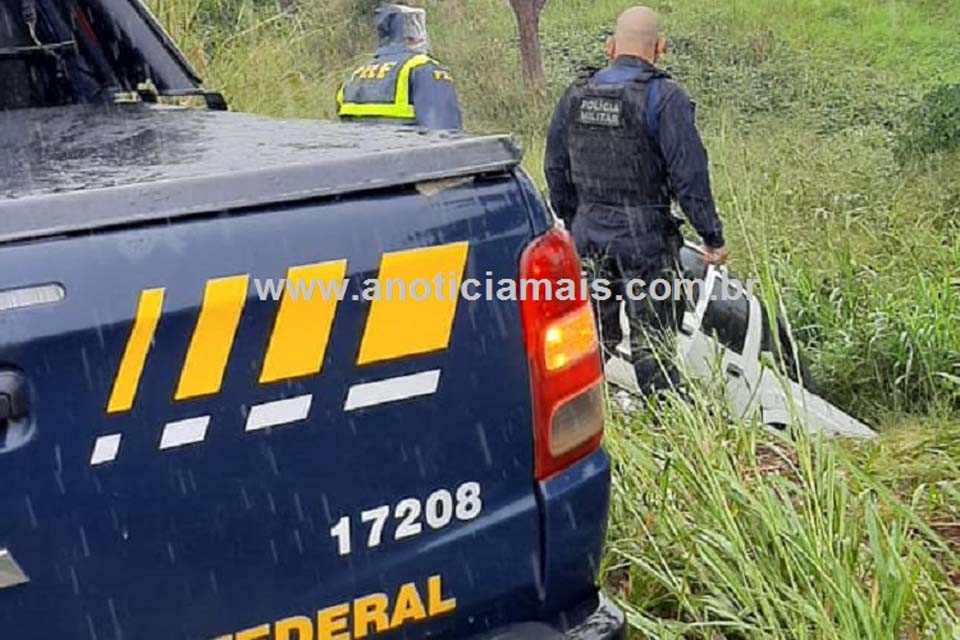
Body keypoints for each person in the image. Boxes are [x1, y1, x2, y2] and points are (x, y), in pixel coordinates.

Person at [544, 5, 728, 395]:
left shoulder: (576, 94)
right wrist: (711, 236)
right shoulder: (664, 97)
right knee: (653, 350)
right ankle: (667, 422)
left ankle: (571, 419)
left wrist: (577, 221)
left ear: (610, 47)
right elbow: (689, 176)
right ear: (660, 47)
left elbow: (555, 168)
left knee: (589, 344)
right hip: (646, 245)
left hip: (588, 239)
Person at [337, 4, 462, 131]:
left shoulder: (355, 76)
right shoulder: (424, 69)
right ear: (411, 34)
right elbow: (442, 131)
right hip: (408, 144)